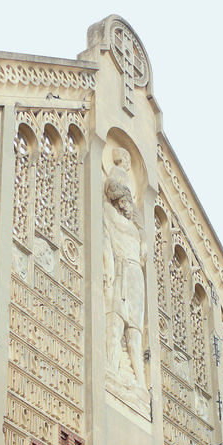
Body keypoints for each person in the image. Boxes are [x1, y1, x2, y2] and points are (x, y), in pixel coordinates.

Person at [103, 148, 146, 385]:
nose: (126, 205)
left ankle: (141, 384)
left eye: (128, 201)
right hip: (121, 270)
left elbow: (141, 227)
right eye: (122, 201)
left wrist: (145, 241)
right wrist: (109, 268)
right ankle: (111, 367)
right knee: (116, 322)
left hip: (135, 276)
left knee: (135, 333)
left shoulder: (135, 229)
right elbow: (105, 242)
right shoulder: (109, 216)